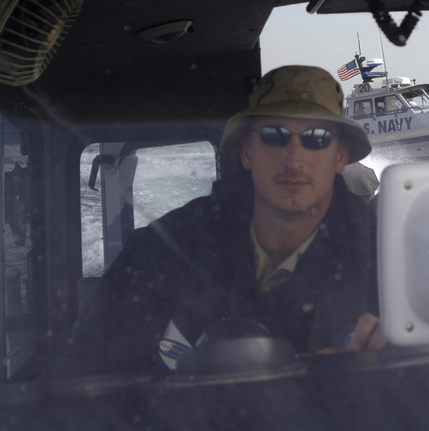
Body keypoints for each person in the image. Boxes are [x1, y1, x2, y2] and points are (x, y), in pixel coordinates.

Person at [50, 65, 384, 377]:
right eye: (273, 134)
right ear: (247, 152)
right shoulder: (162, 251)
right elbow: (82, 381)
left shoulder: (384, 259)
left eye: (316, 137)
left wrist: (379, 371)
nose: (294, 157)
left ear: (340, 156)